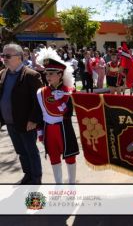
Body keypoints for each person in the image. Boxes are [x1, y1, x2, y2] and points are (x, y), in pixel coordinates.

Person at [0, 43, 43, 184]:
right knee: (21, 152)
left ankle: (36, 179)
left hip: (26, 122)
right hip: (10, 122)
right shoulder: (3, 73)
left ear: (19, 57)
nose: (4, 58)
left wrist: (34, 120)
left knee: (31, 151)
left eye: (7, 56)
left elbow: (39, 101)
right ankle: (28, 175)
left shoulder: (31, 75)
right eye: (3, 55)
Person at [36, 48, 79, 184]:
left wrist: (61, 100)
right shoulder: (41, 92)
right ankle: (58, 184)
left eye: (51, 73)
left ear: (60, 74)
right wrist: (40, 133)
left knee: (70, 157)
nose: (48, 76)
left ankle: (72, 183)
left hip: (64, 128)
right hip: (49, 129)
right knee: (54, 158)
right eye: (46, 73)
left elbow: (67, 113)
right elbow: (39, 115)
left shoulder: (69, 91)